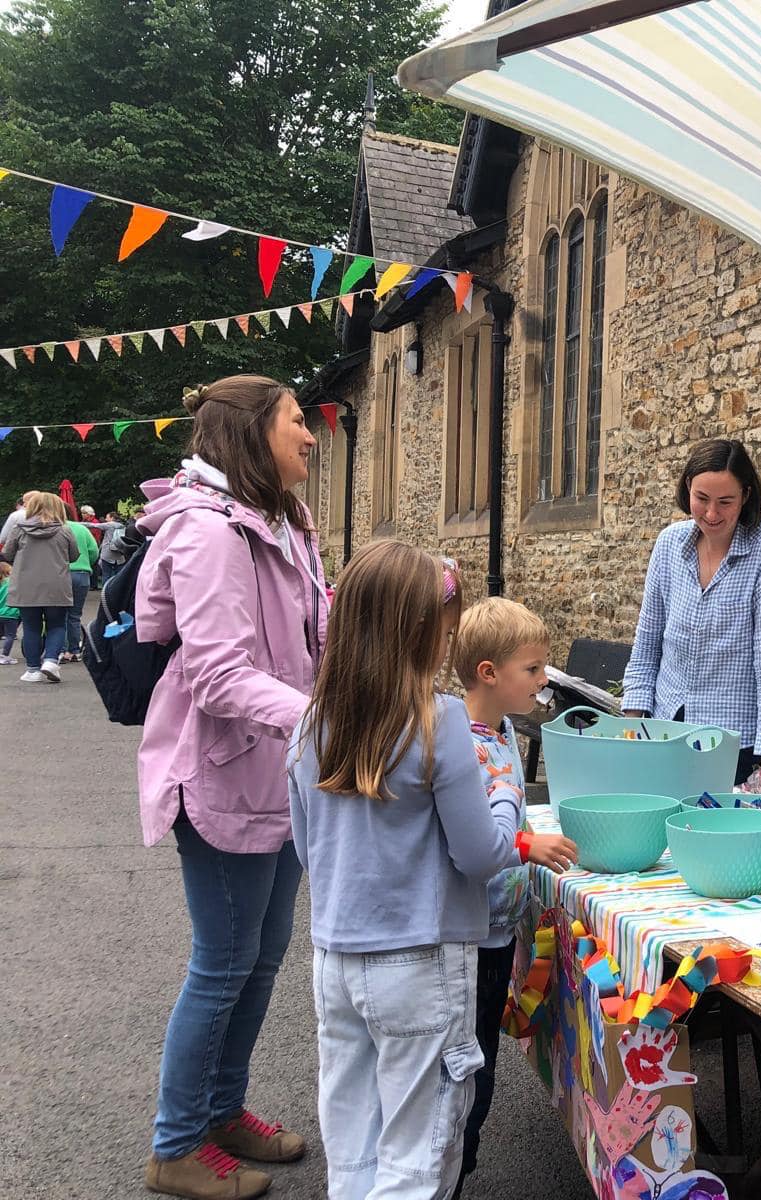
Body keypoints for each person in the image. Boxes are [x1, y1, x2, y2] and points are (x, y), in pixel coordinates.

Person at [288, 543, 545, 1200]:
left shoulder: (310, 722)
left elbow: (308, 850)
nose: (449, 643)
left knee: (354, 1148)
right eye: (446, 631)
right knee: (418, 1156)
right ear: (418, 632)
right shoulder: (441, 721)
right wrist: (506, 800)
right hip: (422, 962)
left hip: (337, 958)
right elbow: (480, 855)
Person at [137, 376, 324, 1200]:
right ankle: (175, 1147)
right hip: (220, 775)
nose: (311, 435)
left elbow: (314, 634)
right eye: (297, 421)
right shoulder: (211, 533)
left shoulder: (286, 521)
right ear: (253, 433)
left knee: (262, 957)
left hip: (279, 771)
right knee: (223, 964)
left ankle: (221, 1113)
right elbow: (218, 675)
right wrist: (325, 719)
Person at [450, 597, 577, 1196]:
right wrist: (527, 844)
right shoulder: (461, 747)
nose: (544, 679)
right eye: (532, 668)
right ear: (488, 672)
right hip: (471, 939)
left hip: (499, 930)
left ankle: (454, 1167)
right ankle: (448, 1174)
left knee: (480, 1062)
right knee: (467, 1071)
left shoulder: (500, 730)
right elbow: (469, 841)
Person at [622, 438, 761, 795]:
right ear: (688, 486)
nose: (711, 513)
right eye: (701, 498)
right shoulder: (669, 544)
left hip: (733, 743)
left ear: (746, 495)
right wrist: (630, 730)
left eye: (725, 502)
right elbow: (647, 642)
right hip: (665, 730)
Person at [0, 491, 76, 683]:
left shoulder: (19, 528)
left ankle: (32, 669)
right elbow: (74, 556)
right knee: (56, 624)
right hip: (56, 584)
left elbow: (7, 554)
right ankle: (50, 660)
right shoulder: (64, 530)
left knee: (31, 627)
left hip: (26, 585)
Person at [60, 512, 98, 662]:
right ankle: (75, 650)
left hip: (60, 573)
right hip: (81, 573)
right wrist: (86, 562)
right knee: (74, 615)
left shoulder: (55, 528)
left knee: (59, 614)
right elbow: (94, 551)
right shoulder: (82, 529)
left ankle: (62, 650)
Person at [0, 561, 21, 665]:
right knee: (10, 636)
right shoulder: (12, 582)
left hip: (0, 613)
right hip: (11, 613)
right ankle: (4, 656)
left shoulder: (1, 583)